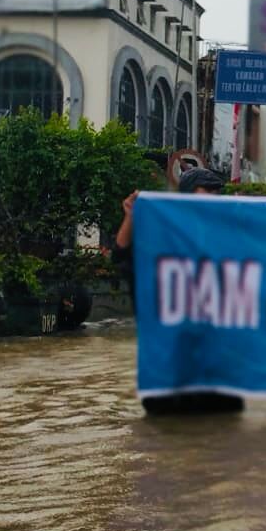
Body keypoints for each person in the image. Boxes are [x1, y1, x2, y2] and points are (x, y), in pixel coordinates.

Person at [112, 167, 240, 417]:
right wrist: (131, 216)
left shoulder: (225, 241)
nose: (214, 197)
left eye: (216, 192)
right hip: (169, 376)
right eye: (207, 190)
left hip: (216, 376)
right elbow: (121, 256)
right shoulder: (162, 243)